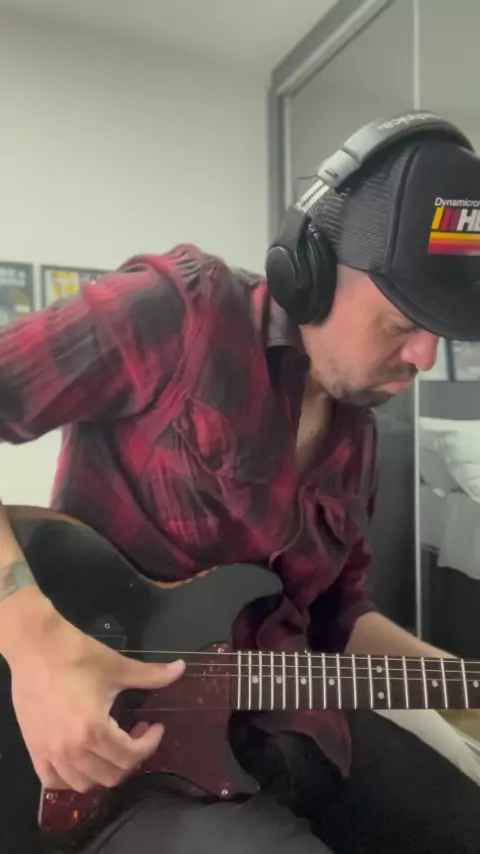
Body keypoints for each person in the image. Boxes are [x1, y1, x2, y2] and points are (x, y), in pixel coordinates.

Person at [1, 111, 480, 854]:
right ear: (310, 270)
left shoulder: (358, 431)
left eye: (439, 331)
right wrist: (34, 645)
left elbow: (340, 617)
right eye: (400, 323)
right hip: (128, 762)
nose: (424, 356)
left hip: (293, 727)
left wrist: (460, 682)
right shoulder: (179, 316)